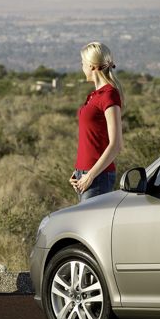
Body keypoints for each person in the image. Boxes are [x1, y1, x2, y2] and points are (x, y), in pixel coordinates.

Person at [71, 41, 124, 201]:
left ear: (93, 66)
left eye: (83, 63)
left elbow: (116, 145)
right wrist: (78, 172)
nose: (82, 67)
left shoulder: (109, 95)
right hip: (85, 175)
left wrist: (90, 176)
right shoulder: (95, 95)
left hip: (97, 177)